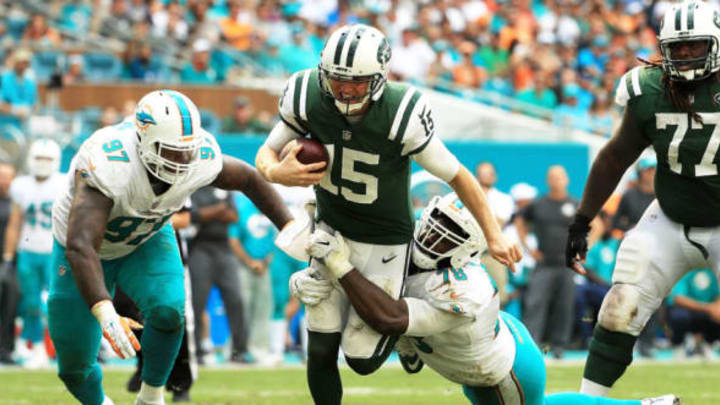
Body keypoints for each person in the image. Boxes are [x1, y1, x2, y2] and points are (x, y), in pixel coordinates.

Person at [255, 23, 521, 405]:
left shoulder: (401, 113)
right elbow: (264, 153)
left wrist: (493, 234)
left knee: (361, 360)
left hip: (385, 242)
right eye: (336, 79)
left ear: (379, 79)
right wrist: (275, 172)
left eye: (357, 82)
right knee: (320, 349)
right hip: (331, 228)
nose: (344, 90)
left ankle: (405, 336)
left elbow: (458, 174)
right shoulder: (307, 93)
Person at [295, 192, 679, 405]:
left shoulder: (463, 288)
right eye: (434, 223)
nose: (431, 236)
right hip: (486, 345)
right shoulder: (411, 243)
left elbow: (390, 317)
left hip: (503, 370)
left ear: (466, 251)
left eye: (448, 234)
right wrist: (316, 278)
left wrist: (340, 270)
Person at [48, 89, 293, 405]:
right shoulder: (110, 161)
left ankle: (151, 397)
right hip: (83, 252)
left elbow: (248, 178)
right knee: (74, 368)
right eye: (171, 152)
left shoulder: (198, 155)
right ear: (144, 141)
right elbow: (81, 246)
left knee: (169, 311)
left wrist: (289, 226)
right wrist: (104, 307)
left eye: (186, 151)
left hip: (144, 238)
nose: (182, 161)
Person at [565, 1, 720, 397]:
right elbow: (616, 155)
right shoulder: (647, 89)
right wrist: (583, 220)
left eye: (695, 46)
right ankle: (589, 400)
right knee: (620, 305)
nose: (684, 56)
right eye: (677, 48)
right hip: (670, 217)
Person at [2, 139, 64, 368]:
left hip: (54, 252)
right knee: (29, 302)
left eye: (47, 159)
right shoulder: (21, 185)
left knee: (52, 302)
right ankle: (36, 346)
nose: (43, 164)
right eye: (39, 158)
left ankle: (56, 345)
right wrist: (8, 256)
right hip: (28, 252)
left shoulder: (63, 183)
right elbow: (15, 223)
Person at [515, 165, 578, 358]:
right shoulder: (539, 204)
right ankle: (531, 346)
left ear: (566, 179)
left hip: (566, 263)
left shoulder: (575, 204)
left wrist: (582, 248)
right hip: (544, 262)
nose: (556, 181)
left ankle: (559, 346)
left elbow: (596, 224)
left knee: (564, 305)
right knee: (536, 303)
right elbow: (520, 222)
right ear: (548, 181)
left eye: (559, 177)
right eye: (552, 177)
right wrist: (529, 249)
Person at [0, 163, 17, 365]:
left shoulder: (16, 203)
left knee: (11, 300)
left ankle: (6, 348)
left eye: (7, 176)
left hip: (11, 262)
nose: (4, 180)